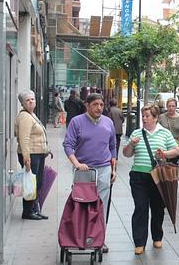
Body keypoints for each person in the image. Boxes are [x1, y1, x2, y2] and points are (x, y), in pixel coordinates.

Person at [63, 93, 117, 253]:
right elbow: (68, 144)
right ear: (87, 105)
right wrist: (76, 164)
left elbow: (113, 146)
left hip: (104, 169)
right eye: (95, 104)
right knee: (82, 204)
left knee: (102, 206)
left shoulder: (108, 123)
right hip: (84, 171)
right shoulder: (76, 122)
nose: (99, 107)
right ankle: (81, 236)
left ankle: (100, 239)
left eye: (101, 104)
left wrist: (113, 168)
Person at [122, 104, 179, 255]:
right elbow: (126, 154)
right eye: (143, 116)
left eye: (147, 116)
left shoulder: (165, 133)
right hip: (138, 176)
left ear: (155, 118)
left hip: (157, 177)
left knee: (157, 208)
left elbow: (176, 150)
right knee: (140, 208)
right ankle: (139, 242)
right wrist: (130, 144)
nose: (144, 119)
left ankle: (157, 236)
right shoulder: (137, 133)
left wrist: (165, 154)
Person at [15, 90, 50, 220]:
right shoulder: (24, 117)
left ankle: (35, 209)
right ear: (23, 103)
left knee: (37, 183)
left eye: (32, 99)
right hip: (31, 155)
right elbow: (24, 138)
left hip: (38, 154)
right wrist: (26, 157)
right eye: (27, 100)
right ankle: (28, 211)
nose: (31, 102)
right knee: (31, 183)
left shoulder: (31, 115)